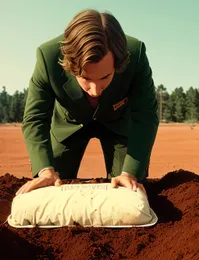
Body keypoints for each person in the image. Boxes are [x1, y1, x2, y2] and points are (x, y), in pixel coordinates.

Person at [16, 9, 159, 195]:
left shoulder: (136, 54)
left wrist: (130, 173)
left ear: (119, 62)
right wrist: (44, 170)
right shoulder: (48, 57)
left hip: (118, 123)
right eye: (85, 78)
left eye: (105, 77)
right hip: (68, 124)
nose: (95, 90)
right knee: (52, 186)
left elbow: (146, 116)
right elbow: (35, 118)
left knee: (127, 191)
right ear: (70, 65)